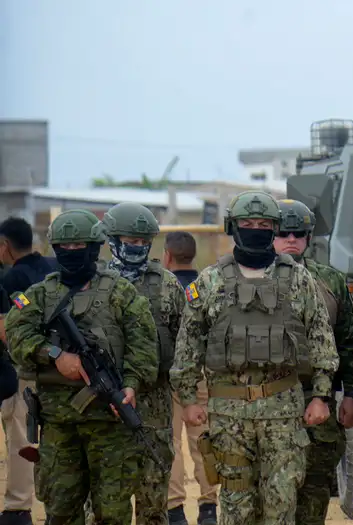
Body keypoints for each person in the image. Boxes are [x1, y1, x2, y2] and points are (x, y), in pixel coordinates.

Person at [172, 191, 338, 524]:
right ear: (232, 227)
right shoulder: (209, 281)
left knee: (281, 503)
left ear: (274, 229)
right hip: (228, 415)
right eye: (247, 223)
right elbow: (187, 346)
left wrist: (321, 396)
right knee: (236, 505)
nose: (255, 229)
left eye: (264, 224)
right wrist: (189, 400)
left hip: (283, 412)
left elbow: (322, 340)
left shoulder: (300, 280)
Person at [7, 209, 159, 524]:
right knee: (61, 512)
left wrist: (131, 385)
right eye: (65, 247)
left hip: (110, 425)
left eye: (80, 247)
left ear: (94, 247)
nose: (72, 253)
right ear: (55, 248)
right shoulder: (39, 295)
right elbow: (17, 338)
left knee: (112, 513)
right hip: (59, 424)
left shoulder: (121, 293)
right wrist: (55, 355)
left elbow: (143, 348)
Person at [273, 199, 353, 525]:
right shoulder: (246, 280)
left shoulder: (330, 281)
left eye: (299, 233)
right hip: (264, 406)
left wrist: (352, 395)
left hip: (317, 402)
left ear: (309, 237)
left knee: (312, 499)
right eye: (283, 232)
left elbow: (350, 344)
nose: (291, 239)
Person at [101, 203, 185, 525]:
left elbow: (185, 340)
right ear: (112, 240)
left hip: (155, 407)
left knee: (153, 504)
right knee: (105, 506)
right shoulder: (95, 284)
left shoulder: (167, 285)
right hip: (104, 407)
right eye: (129, 241)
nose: (136, 248)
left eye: (142, 242)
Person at [0, 217, 54, 525]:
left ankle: (19, 508)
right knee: (57, 439)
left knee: (22, 437)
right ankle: (56, 509)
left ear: (5, 246)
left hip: (25, 371)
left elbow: (8, 331)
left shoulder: (12, 279)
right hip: (60, 370)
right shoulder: (52, 268)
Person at [162, 230, 216, 525]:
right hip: (202, 377)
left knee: (171, 445)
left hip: (169, 377)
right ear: (193, 255)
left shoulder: (162, 288)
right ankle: (209, 508)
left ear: (167, 255)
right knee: (204, 444)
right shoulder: (207, 286)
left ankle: (175, 510)